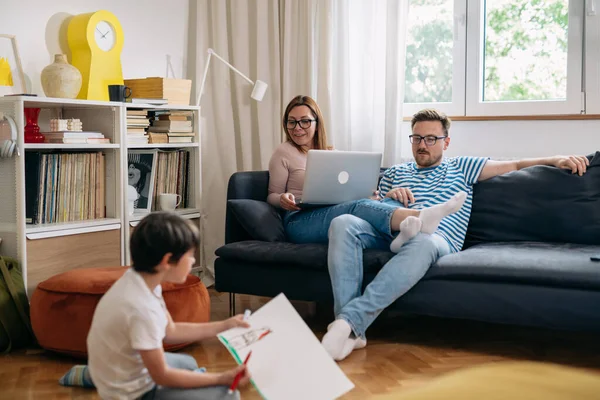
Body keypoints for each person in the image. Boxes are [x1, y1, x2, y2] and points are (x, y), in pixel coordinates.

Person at [321, 108, 590, 361]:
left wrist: (555, 159)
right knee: (343, 222)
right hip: (390, 231)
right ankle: (352, 332)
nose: (422, 145)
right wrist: (389, 196)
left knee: (422, 242)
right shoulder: (394, 172)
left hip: (437, 237)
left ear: (446, 142)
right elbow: (372, 205)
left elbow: (516, 164)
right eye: (416, 138)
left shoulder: (462, 166)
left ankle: (348, 322)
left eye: (430, 138)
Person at [87, 212, 251, 400]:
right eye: (190, 255)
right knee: (228, 395)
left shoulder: (141, 280)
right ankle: (94, 376)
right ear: (167, 261)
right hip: (133, 394)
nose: (193, 262)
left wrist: (225, 326)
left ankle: (92, 374)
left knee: (188, 363)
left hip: (118, 367)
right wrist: (221, 378)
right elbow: (162, 376)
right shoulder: (140, 308)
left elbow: (170, 330)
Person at [268, 95, 468, 247]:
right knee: (356, 207)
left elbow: (344, 192)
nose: (297, 128)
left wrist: (367, 195)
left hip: (329, 212)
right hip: (300, 221)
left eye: (304, 121)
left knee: (371, 202)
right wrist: (283, 199)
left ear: (316, 123)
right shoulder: (283, 152)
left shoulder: (331, 154)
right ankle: (421, 217)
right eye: (291, 122)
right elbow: (271, 196)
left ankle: (404, 234)